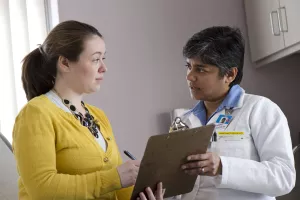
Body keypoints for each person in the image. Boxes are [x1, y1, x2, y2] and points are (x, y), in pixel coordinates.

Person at [12, 20, 163, 200]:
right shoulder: (36, 114)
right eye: (95, 59)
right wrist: (116, 177)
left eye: (103, 58)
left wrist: (141, 194)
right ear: (65, 63)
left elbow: (117, 188)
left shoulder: (98, 115)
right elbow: (42, 188)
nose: (104, 68)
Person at [170, 26, 296, 200]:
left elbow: (283, 177)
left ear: (229, 74)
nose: (190, 76)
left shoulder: (260, 109)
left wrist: (223, 166)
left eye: (200, 69)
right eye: (189, 66)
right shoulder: (184, 121)